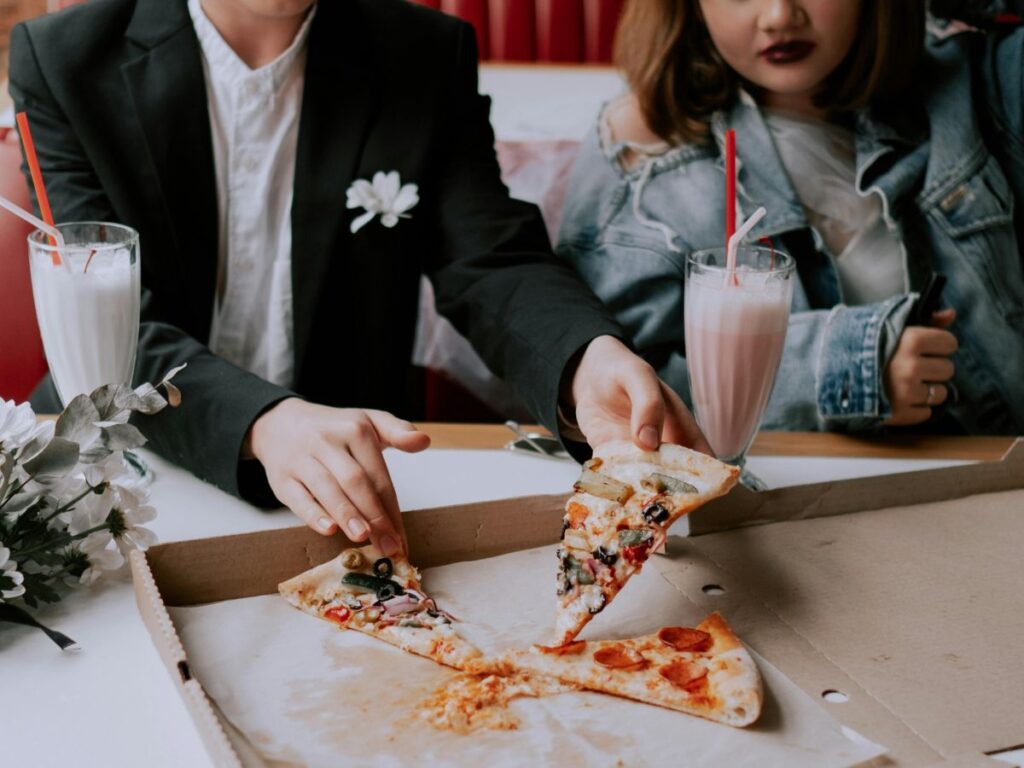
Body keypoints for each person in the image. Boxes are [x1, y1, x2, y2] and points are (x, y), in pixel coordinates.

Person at [9, 0, 709, 557]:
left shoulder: (424, 55)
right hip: (121, 464)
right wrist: (263, 421)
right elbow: (105, 322)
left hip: (359, 482)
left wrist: (585, 362)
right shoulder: (65, 60)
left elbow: (492, 259)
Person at [558, 0, 1024, 437]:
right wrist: (839, 368)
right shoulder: (641, 156)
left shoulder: (977, 86)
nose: (780, 16)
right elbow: (622, 392)